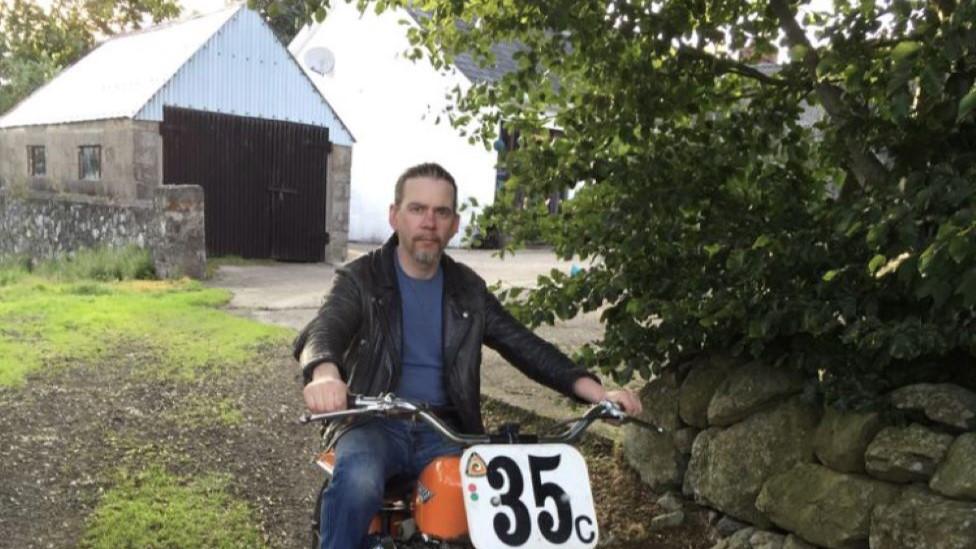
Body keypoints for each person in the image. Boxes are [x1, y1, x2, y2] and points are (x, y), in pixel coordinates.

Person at [293, 162, 642, 549]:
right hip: (375, 422)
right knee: (357, 480)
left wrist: (598, 393)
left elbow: (525, 346)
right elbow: (325, 329)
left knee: (486, 507)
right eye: (417, 209)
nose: (429, 222)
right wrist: (325, 373)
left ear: (455, 224)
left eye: (441, 212)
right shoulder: (361, 278)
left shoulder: (468, 290)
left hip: (447, 427)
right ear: (395, 216)